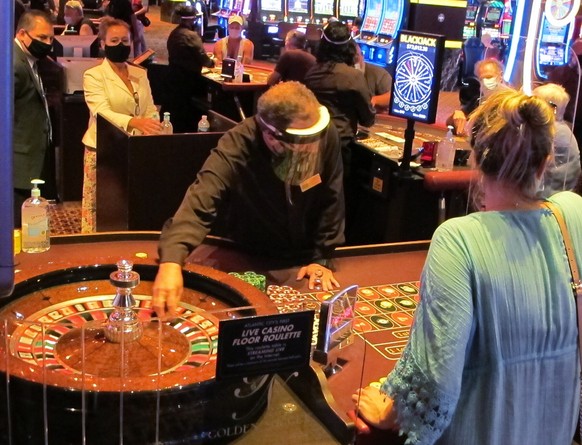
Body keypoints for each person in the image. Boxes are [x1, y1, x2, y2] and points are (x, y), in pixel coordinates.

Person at [353, 89, 581, 444]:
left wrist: (391, 410)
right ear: (545, 162)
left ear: (475, 158)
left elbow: (437, 381)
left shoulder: (457, 238)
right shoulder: (574, 213)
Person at [152, 82, 345, 319]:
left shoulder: (325, 134)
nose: (315, 145)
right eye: (304, 141)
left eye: (317, 134)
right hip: (248, 252)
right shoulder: (237, 143)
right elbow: (201, 200)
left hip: (303, 258)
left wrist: (321, 258)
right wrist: (171, 261)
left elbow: (332, 198)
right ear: (271, 136)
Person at [81, 17, 162, 233]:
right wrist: (133, 122)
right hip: (104, 149)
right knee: (103, 208)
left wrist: (153, 125)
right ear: (102, 44)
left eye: (125, 40)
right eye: (114, 40)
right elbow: (101, 111)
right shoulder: (94, 75)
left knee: (130, 205)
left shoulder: (140, 73)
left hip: (136, 148)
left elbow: (150, 108)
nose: (120, 45)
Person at [304, 21, 375, 168]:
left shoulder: (312, 72)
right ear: (349, 47)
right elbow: (367, 119)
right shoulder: (353, 76)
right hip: (339, 145)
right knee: (337, 189)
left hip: (311, 141)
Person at [13, 10, 55, 227]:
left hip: (29, 158)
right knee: (16, 228)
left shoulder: (29, 59)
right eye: (41, 38)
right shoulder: (14, 64)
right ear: (22, 34)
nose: (47, 43)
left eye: (50, 38)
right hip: (17, 162)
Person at [164, 5, 215, 132]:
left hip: (173, 77)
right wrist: (213, 62)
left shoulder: (174, 33)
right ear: (192, 19)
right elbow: (205, 60)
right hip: (189, 81)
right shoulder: (191, 35)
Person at [532, 83, 581, 196]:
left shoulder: (554, 132)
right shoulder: (560, 128)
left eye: (535, 102)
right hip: (555, 193)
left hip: (551, 197)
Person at [446, 58, 509, 135]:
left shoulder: (511, 101)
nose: (486, 82)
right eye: (482, 79)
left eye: (489, 77)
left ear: (500, 75)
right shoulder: (479, 100)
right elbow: (449, 122)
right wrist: (456, 116)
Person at [354, 43, 391, 109]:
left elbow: (391, 96)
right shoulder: (341, 73)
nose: (353, 62)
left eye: (356, 58)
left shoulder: (379, 74)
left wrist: (373, 100)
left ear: (362, 56)